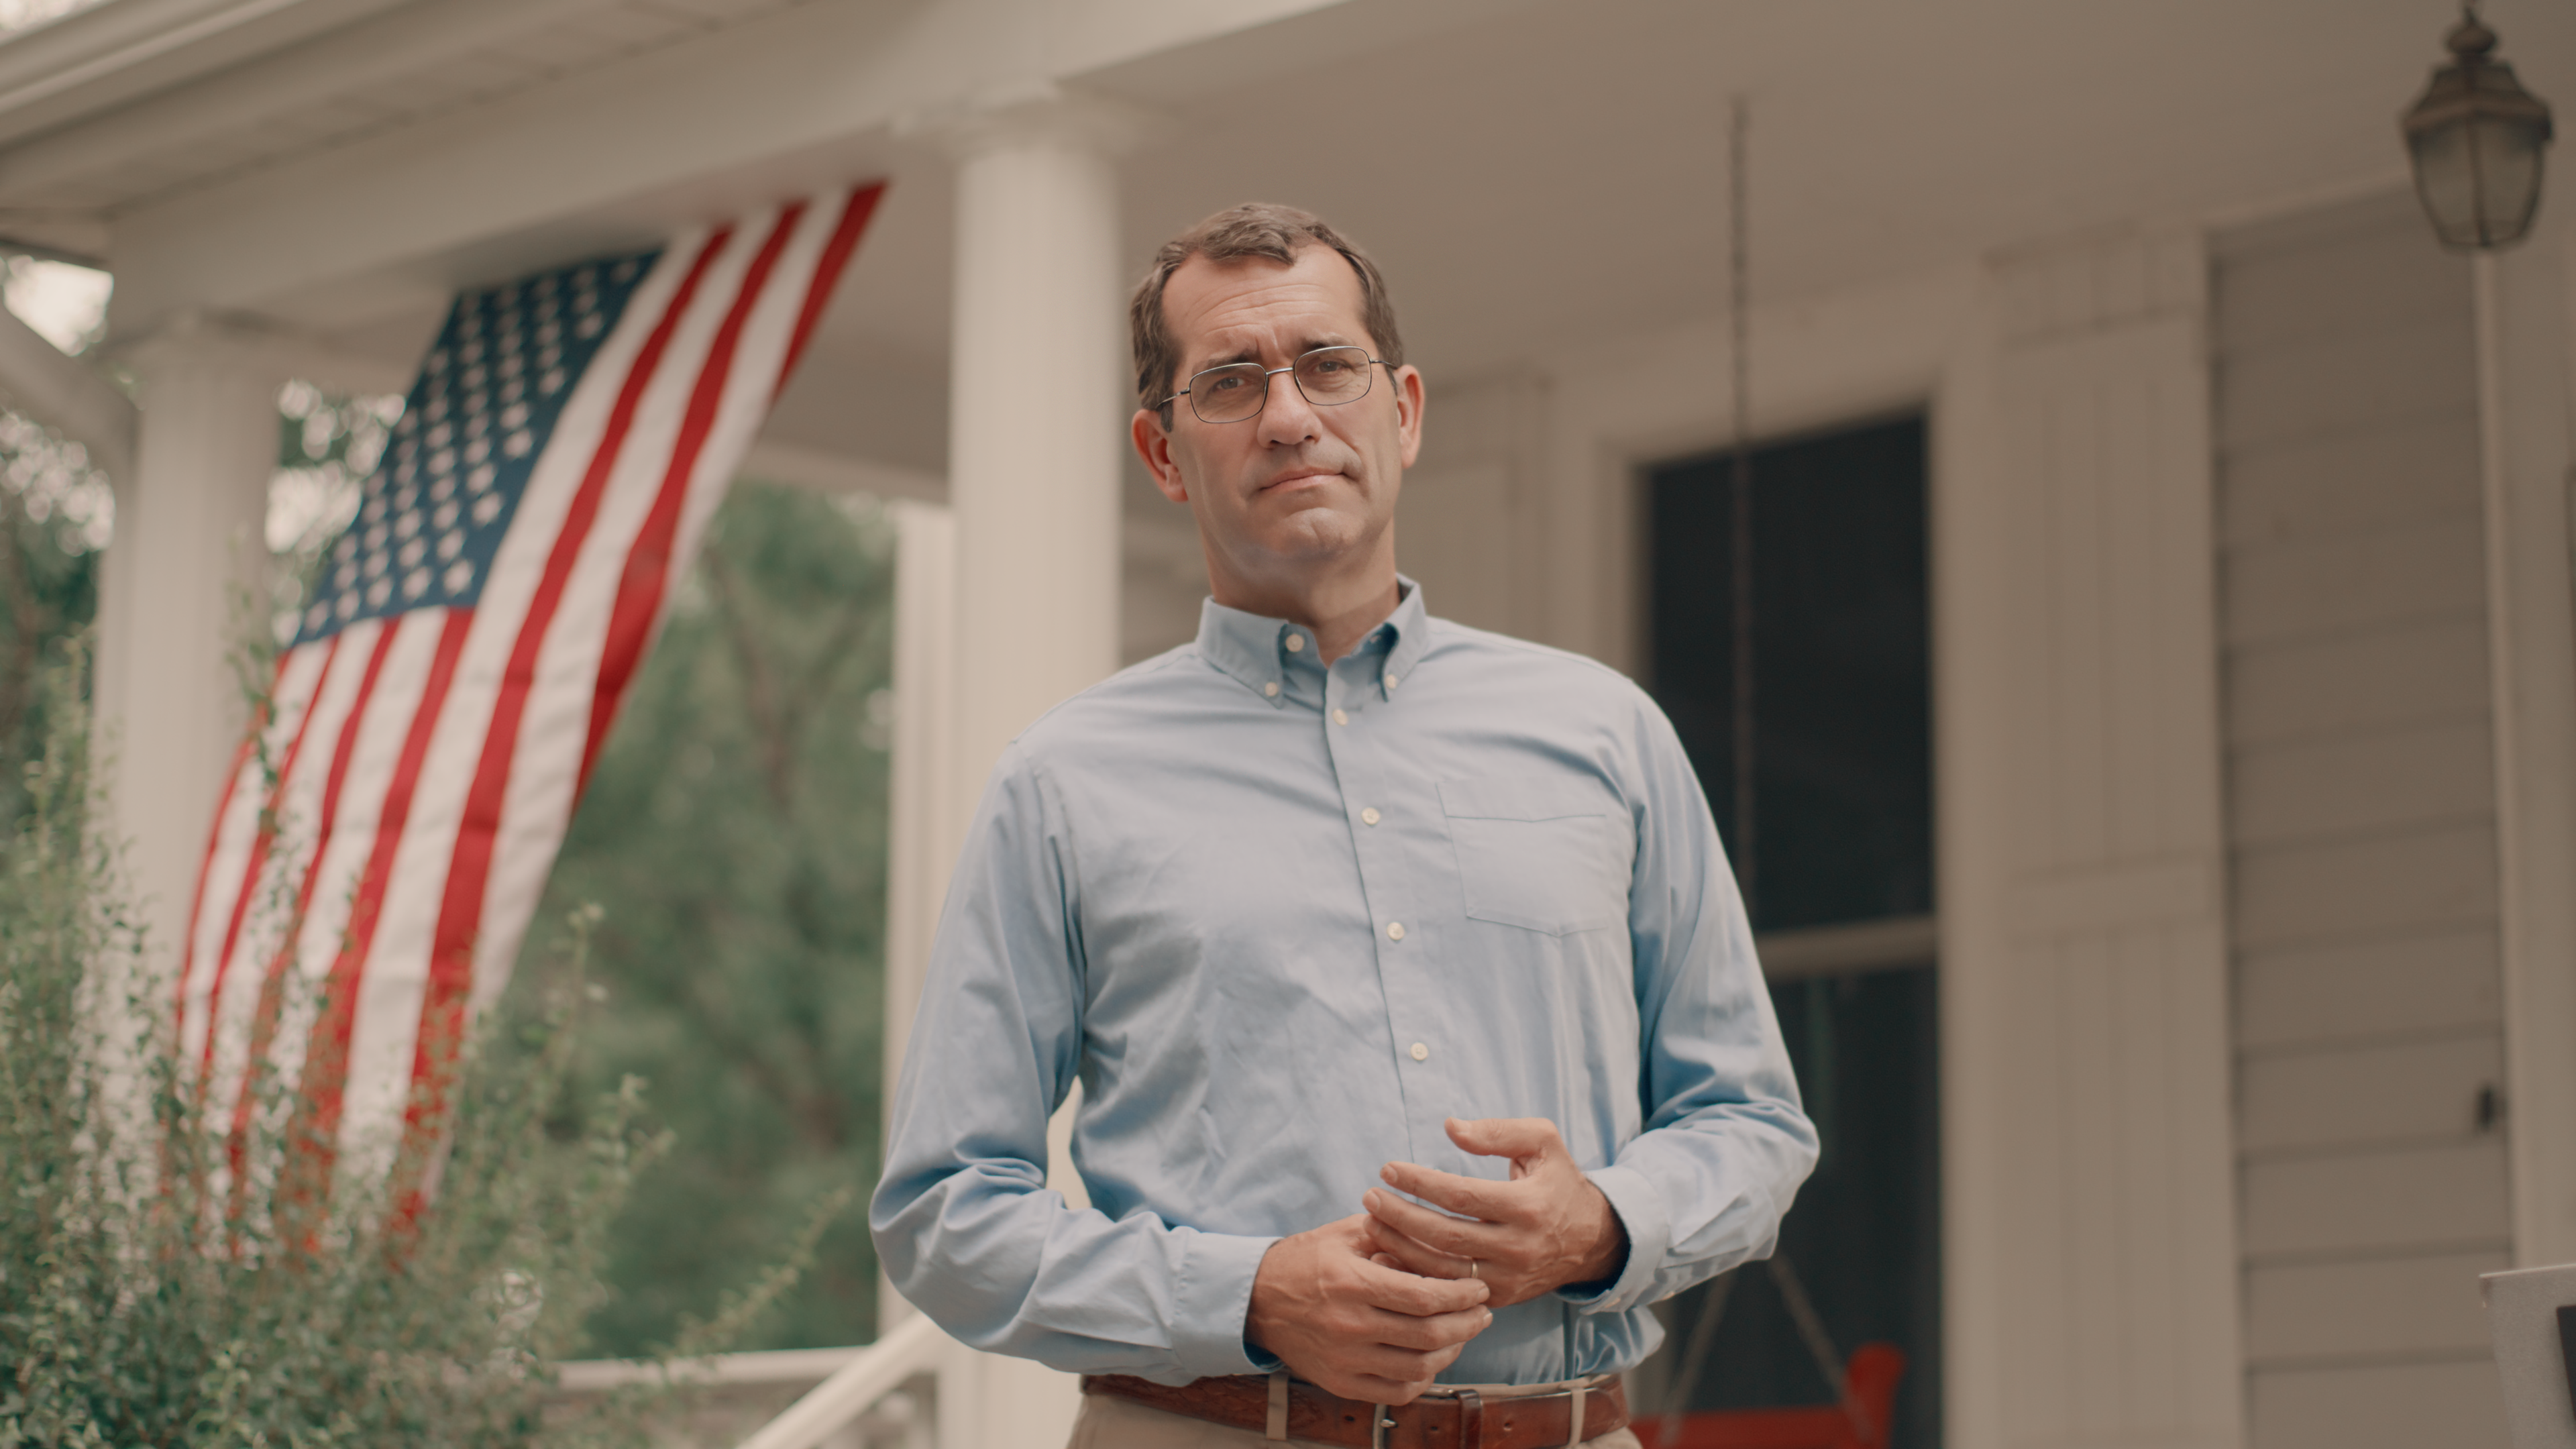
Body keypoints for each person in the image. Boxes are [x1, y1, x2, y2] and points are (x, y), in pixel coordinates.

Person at [869, 203, 1817, 1448]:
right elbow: (945, 1210)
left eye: (1328, 366)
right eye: (1230, 383)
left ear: (1404, 410)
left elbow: (1752, 1125)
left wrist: (1600, 1227)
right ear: (1163, 454)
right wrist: (1250, 1297)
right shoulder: (1061, 784)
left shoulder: (1606, 733)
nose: (1289, 415)